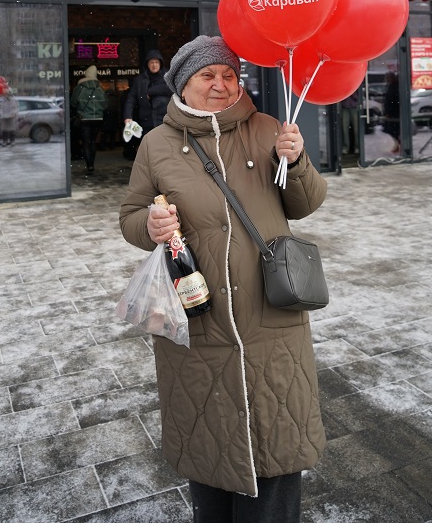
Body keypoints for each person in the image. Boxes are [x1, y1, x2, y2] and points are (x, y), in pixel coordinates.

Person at [120, 35, 327, 522]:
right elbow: (130, 216)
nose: (221, 84)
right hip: (198, 323)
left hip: (270, 319)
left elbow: (305, 203)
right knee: (209, 446)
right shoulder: (156, 145)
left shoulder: (267, 129)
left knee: (277, 444)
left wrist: (296, 161)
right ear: (182, 84)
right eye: (207, 75)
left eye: (229, 75)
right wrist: (149, 225)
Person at [123, 49, 172, 156]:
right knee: (150, 151)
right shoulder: (139, 80)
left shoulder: (168, 77)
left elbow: (171, 88)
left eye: (156, 62)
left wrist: (150, 91)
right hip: (147, 121)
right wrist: (128, 116)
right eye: (151, 62)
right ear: (147, 64)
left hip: (165, 120)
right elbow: (131, 99)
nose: (154, 65)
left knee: (166, 151)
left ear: (160, 63)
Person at [70, 65, 107, 173]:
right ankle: (92, 163)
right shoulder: (100, 89)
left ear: (86, 74)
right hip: (98, 119)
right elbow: (105, 105)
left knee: (86, 142)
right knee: (93, 141)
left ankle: (89, 165)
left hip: (84, 119)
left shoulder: (80, 88)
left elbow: (73, 103)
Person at [383, 71, 401, 154]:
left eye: (388, 78)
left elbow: (391, 100)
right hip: (393, 111)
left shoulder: (395, 87)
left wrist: (388, 112)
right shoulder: (392, 86)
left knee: (393, 130)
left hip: (394, 112)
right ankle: (398, 144)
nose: (387, 79)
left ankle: (398, 144)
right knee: (392, 130)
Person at [341, 89, 359, 154]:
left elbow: (358, 98)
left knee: (356, 129)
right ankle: (345, 147)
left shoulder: (354, 86)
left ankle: (357, 147)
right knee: (344, 129)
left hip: (354, 107)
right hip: (345, 108)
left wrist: (351, 92)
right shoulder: (343, 86)